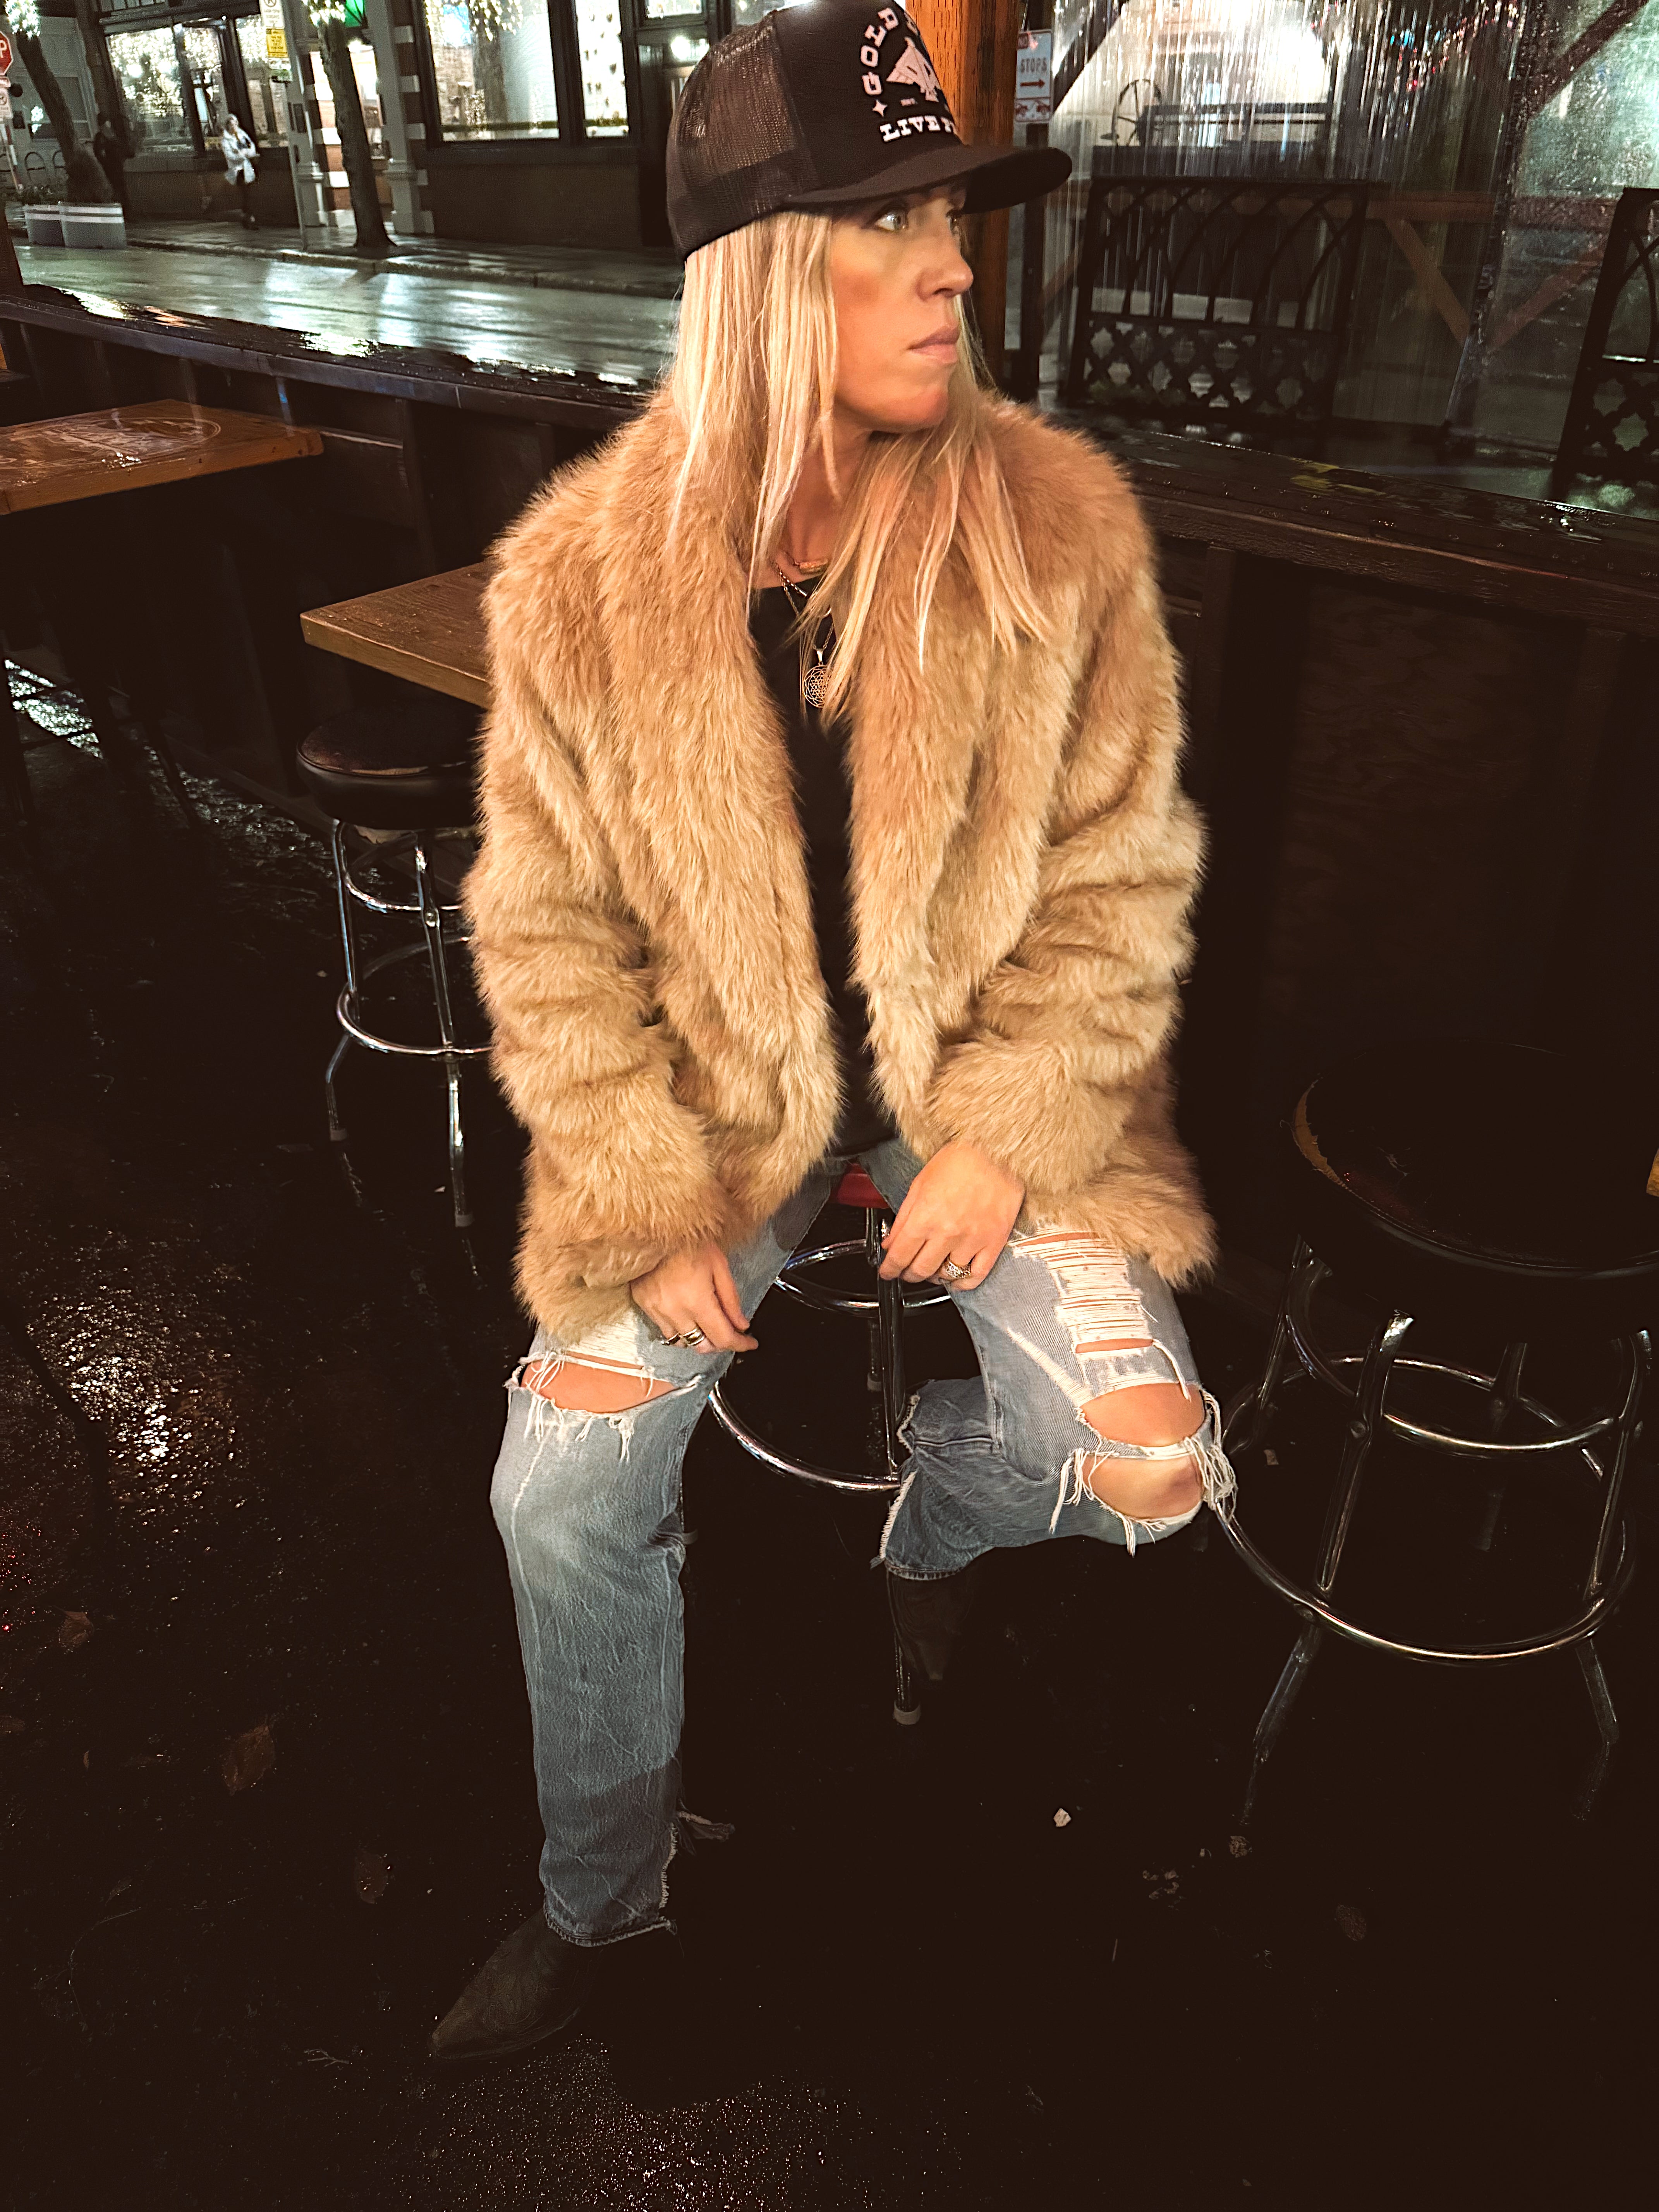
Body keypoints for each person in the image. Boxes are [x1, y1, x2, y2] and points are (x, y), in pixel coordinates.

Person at [430, 0, 1233, 2066]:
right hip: (722, 1117)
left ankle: (919, 1516)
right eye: (892, 226)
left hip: (981, 1087)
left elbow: (1123, 881)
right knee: (559, 1492)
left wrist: (1003, 1126)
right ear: (766, 276)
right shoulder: (578, 581)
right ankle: (600, 1901)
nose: (952, 267)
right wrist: (637, 1190)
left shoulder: (1053, 528)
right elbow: (543, 932)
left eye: (951, 220)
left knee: (1149, 1466)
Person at [220, 112, 258, 228]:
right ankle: (249, 220)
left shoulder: (242, 135)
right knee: (246, 194)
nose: (234, 127)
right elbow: (230, 156)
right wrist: (242, 155)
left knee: (249, 195)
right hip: (238, 171)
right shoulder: (226, 140)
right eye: (231, 125)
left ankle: (247, 218)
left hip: (248, 168)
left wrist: (247, 153)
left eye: (235, 124)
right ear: (228, 126)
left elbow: (251, 147)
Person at [91, 112, 126, 210]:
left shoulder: (111, 135)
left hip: (117, 168)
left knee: (121, 189)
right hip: (110, 169)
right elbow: (100, 154)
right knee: (116, 190)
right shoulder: (101, 138)